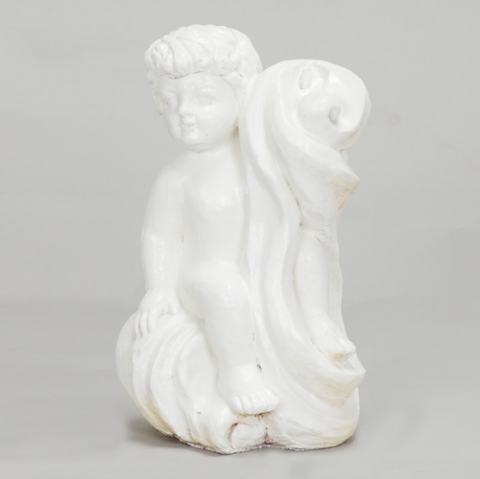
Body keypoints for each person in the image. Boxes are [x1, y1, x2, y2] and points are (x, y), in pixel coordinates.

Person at [135, 25, 279, 416]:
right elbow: (160, 236)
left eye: (204, 98)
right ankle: (237, 373)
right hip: (201, 279)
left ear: (242, 97)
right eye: (172, 100)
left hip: (260, 272)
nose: (184, 112)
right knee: (222, 287)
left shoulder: (261, 163)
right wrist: (159, 288)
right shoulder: (177, 177)